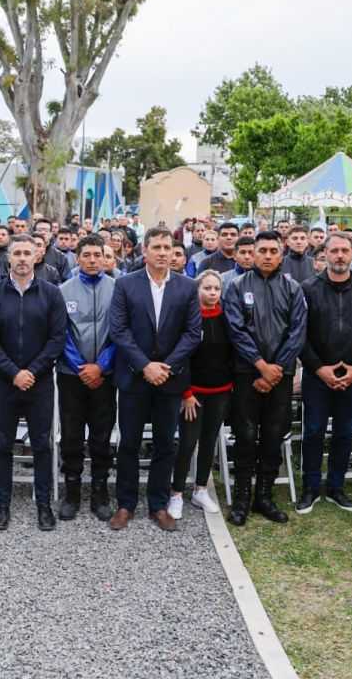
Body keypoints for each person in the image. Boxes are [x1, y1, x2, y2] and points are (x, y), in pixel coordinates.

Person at [108, 226, 202, 532]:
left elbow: (192, 333)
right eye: (157, 247)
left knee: (164, 444)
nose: (163, 253)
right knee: (129, 443)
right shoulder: (125, 284)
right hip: (134, 378)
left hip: (170, 380)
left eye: (167, 247)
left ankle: (158, 505)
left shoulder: (187, 287)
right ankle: (125, 504)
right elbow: (119, 330)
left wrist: (166, 367)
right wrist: (145, 365)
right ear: (144, 251)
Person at [0, 235, 67, 531]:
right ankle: (2, 505)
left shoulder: (51, 294)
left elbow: (57, 338)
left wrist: (32, 371)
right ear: (8, 258)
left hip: (39, 383)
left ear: (36, 256)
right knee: (3, 444)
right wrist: (13, 372)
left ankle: (43, 505)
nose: (21, 258)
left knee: (41, 444)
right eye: (16, 253)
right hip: (4, 383)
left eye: (26, 253)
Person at [222, 231, 307, 525]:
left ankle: (265, 496)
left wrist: (276, 369)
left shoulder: (293, 288)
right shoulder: (236, 287)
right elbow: (235, 330)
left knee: (273, 435)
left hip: (281, 375)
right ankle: (242, 498)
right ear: (253, 253)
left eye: (273, 251)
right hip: (247, 374)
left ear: (281, 255)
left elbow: (297, 332)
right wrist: (260, 365)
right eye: (262, 251)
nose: (268, 256)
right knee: (245, 435)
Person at [297, 232, 352, 514]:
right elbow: (299, 334)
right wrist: (319, 368)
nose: (339, 256)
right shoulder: (308, 288)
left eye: (345, 250)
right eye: (334, 251)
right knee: (313, 432)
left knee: (344, 433)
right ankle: (310, 487)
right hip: (318, 374)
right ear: (324, 254)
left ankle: (336, 487)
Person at [57, 234, 118, 521]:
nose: (93, 260)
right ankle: (71, 491)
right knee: (71, 435)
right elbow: (61, 333)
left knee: (101, 435)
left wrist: (101, 366)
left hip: (105, 376)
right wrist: (82, 366)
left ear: (105, 258)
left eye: (98, 255)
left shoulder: (118, 289)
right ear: (77, 258)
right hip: (72, 375)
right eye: (87, 255)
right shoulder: (63, 291)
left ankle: (99, 491)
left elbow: (121, 331)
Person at [169, 270, 230, 519]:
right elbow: (181, 358)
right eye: (207, 288)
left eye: (216, 289)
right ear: (197, 290)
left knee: (209, 441)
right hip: (193, 394)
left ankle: (201, 489)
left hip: (221, 391)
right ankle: (176, 493)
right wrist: (185, 392)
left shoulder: (226, 317)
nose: (212, 293)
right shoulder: (189, 319)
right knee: (187, 442)